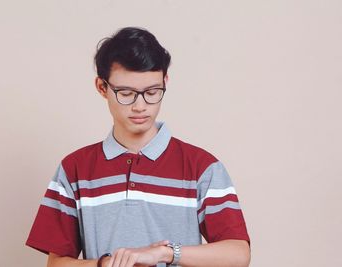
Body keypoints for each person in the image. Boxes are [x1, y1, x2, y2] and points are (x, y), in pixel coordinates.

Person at [26, 26, 251, 267]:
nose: (140, 106)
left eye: (152, 92)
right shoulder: (74, 169)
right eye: (126, 93)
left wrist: (165, 253)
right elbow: (57, 263)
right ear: (102, 87)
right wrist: (106, 264)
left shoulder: (202, 167)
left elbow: (238, 254)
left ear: (165, 81)